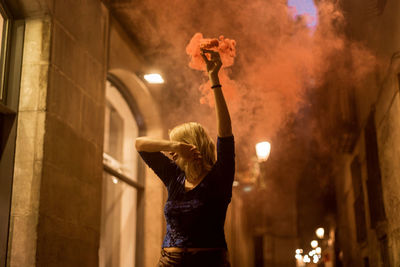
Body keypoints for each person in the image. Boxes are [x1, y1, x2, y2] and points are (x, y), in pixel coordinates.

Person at [135, 49, 234, 267]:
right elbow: (140, 144)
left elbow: (225, 132)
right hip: (169, 262)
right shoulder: (174, 177)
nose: (173, 154)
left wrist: (214, 79)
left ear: (193, 146)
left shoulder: (220, 176)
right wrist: (174, 145)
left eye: (180, 145)